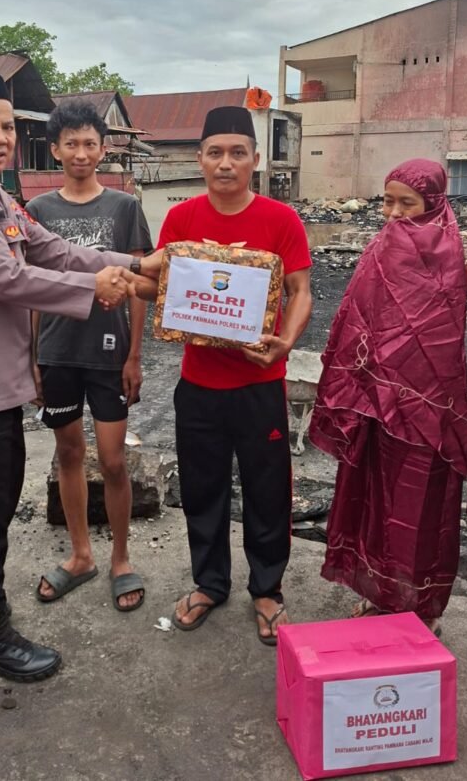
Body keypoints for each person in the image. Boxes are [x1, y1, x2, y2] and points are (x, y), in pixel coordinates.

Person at [0, 70, 159, 683]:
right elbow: (8, 278)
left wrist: (130, 262)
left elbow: (51, 250)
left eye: (6, 126)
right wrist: (96, 287)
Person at [157, 106, 312, 645]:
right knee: (203, 488)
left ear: (255, 160)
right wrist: (114, 276)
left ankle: (267, 589)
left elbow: (301, 292)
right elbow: (162, 283)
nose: (226, 164)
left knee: (268, 490)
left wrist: (285, 343)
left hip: (259, 384)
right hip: (198, 384)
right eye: (216, 153)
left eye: (237, 153)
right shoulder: (181, 220)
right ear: (199, 159)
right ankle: (210, 582)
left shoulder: (280, 220)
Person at [309, 160, 467, 633]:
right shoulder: (380, 247)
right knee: (374, 498)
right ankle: (380, 593)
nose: (394, 213)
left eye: (407, 203)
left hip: (426, 407)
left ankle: (417, 605)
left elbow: (440, 339)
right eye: (387, 201)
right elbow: (356, 316)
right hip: (374, 403)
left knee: (417, 507)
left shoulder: (447, 253)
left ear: (435, 204)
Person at [29, 101, 152, 613]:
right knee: (69, 455)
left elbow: (143, 284)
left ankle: (121, 557)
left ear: (105, 149)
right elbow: (31, 286)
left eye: (90, 143)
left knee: (114, 458)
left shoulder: (125, 208)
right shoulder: (36, 213)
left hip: (108, 354)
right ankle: (81, 555)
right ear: (55, 149)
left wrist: (134, 356)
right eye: (70, 144)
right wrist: (33, 356)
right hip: (58, 351)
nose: (81, 153)